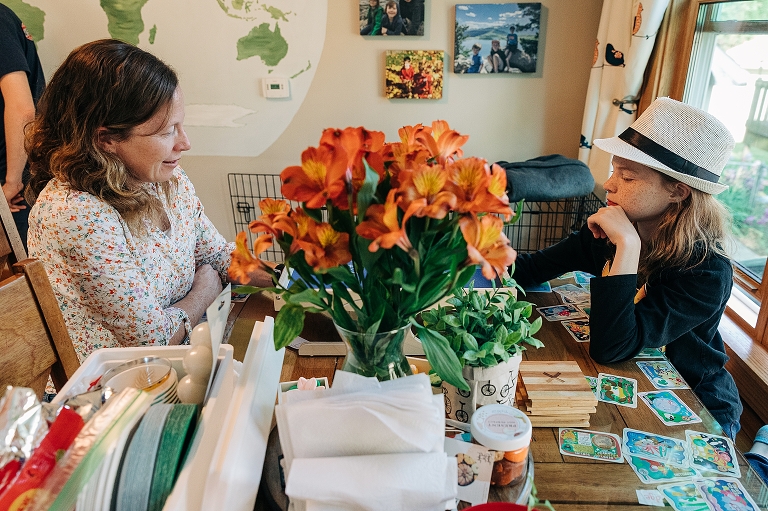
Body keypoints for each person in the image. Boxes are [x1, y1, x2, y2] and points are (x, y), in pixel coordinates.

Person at [25, 40, 273, 363]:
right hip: (115, 390)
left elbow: (217, 256)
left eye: (181, 126)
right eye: (168, 131)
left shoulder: (163, 179)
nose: (185, 143)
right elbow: (153, 337)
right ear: (107, 139)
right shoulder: (75, 215)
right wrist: (204, 292)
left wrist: (293, 279)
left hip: (180, 358)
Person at [511, 97, 743, 439]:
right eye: (613, 170)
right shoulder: (607, 230)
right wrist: (486, 250)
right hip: (627, 384)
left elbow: (612, 347)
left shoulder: (706, 271)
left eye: (628, 177)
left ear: (677, 192)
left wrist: (629, 247)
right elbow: (528, 271)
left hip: (695, 400)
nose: (609, 185)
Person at [0, 4, 44, 252]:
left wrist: (12, 182)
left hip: (13, 189)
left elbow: (23, 108)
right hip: (15, 181)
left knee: (21, 281)